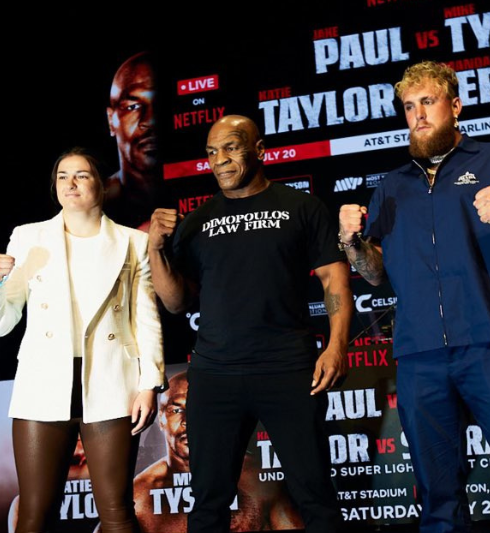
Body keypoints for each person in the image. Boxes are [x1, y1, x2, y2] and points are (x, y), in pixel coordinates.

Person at [339, 61, 490, 533]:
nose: (419, 116)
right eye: (410, 107)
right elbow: (375, 273)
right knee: (438, 498)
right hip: (419, 353)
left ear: (456, 106)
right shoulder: (391, 186)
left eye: (428, 102)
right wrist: (352, 243)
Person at [148, 115, 352, 533]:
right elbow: (175, 301)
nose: (219, 159)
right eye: (211, 152)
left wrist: (336, 346)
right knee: (208, 501)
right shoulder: (197, 221)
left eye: (231, 147)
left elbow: (334, 278)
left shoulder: (301, 207)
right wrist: (156, 250)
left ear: (259, 149)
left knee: (315, 494)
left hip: (287, 368)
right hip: (216, 375)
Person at [0, 147, 164, 532]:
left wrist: (149, 384)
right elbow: (0, 325)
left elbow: (146, 318)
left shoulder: (132, 241)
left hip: (112, 384)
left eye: (81, 175)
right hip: (43, 386)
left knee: (116, 512)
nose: (71, 183)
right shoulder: (28, 238)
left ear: (102, 184)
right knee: (34, 513)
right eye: (63, 176)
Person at [133, 371, 305, 532]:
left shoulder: (257, 481)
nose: (188, 420)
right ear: (161, 419)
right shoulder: (140, 495)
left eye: (198, 408)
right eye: (176, 410)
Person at [105, 51, 160, 230]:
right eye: (133, 106)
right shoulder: (97, 203)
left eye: (159, 103)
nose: (149, 121)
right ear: (111, 120)